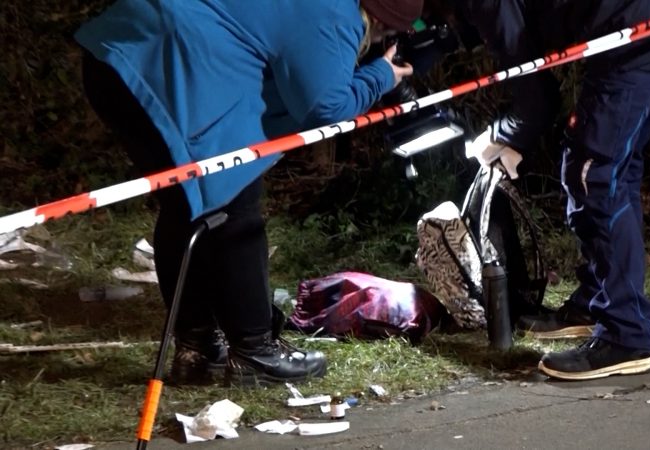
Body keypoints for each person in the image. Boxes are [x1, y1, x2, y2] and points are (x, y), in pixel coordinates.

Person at [76, 0, 423, 387]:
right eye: (386, 34)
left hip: (121, 54)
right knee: (236, 203)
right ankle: (255, 352)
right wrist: (381, 76)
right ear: (377, 20)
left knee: (186, 205)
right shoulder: (336, 12)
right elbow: (325, 107)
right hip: (166, 61)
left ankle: (199, 350)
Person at [456, 0, 650, 380]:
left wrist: (499, 136)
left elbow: (536, 98)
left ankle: (625, 334)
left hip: (644, 27)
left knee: (591, 175)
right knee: (616, 169)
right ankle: (596, 303)